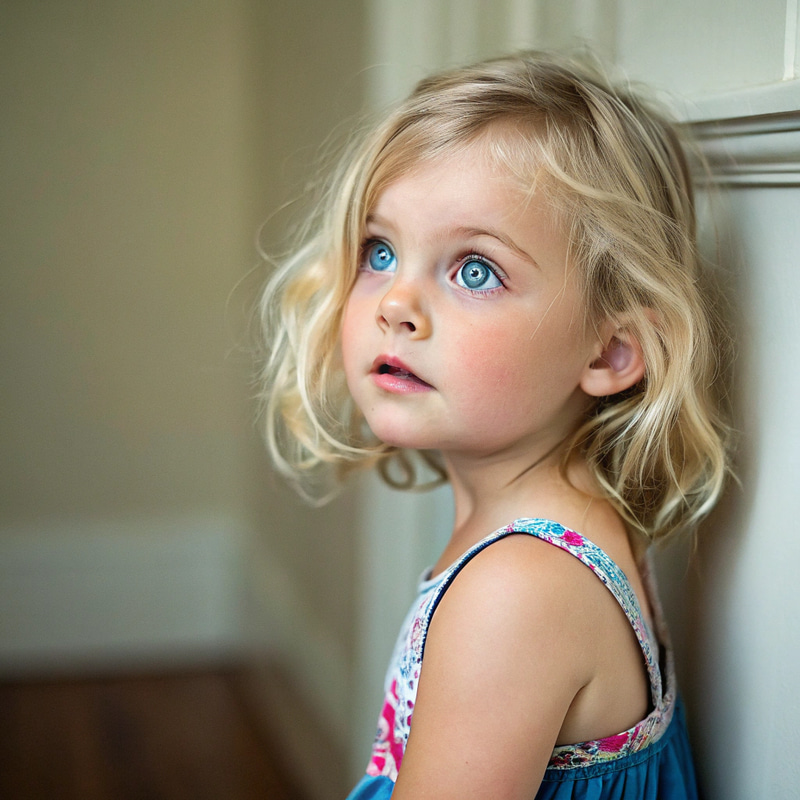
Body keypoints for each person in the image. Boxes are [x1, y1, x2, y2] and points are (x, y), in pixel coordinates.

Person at [258, 51, 730, 799]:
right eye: (380, 251)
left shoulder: (516, 592)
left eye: (474, 270)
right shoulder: (559, 538)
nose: (395, 304)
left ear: (610, 350)